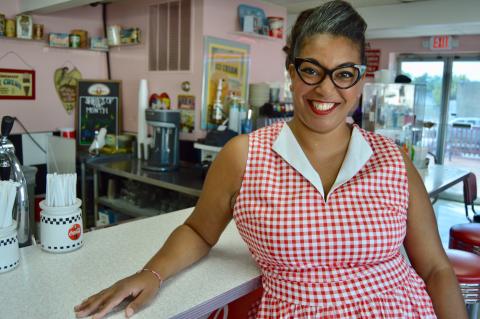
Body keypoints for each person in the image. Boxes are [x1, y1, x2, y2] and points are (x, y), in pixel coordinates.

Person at [75, 1, 468, 318]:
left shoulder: (392, 160)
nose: (326, 89)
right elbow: (199, 231)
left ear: (361, 79)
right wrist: (152, 273)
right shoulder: (245, 156)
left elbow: (435, 268)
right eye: (311, 70)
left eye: (344, 74)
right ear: (291, 73)